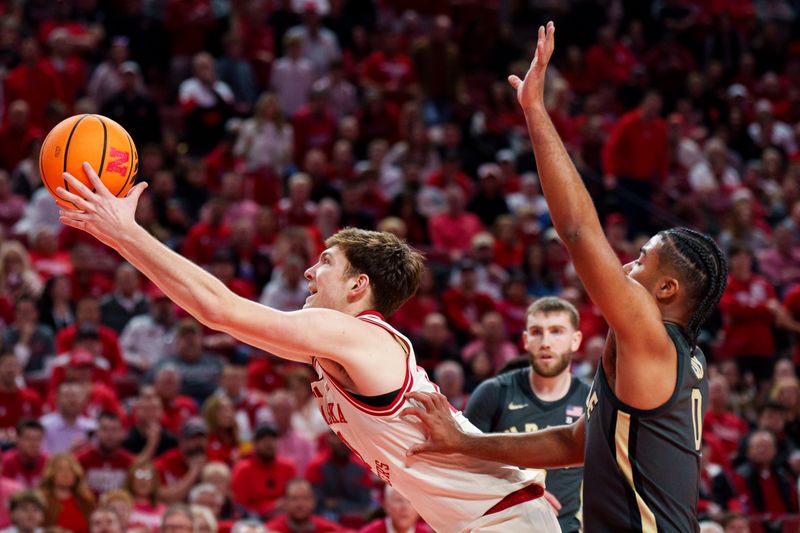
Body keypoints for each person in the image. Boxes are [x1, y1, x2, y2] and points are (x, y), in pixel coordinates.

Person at [56, 164, 557, 530]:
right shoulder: (344, 348)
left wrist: (125, 231)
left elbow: (220, 308)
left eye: (324, 262)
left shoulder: (355, 334)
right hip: (495, 515)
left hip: (500, 521)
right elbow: (224, 321)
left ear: (358, 286)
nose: (308, 272)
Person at [402, 23, 728, 532]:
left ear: (667, 290)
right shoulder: (673, 358)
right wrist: (465, 442)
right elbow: (574, 443)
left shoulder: (652, 336)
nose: (626, 265)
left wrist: (534, 111)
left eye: (641, 259)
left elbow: (577, 231)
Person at [464, 296, 590, 532]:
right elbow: (463, 468)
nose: (546, 342)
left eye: (556, 331)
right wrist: (521, 493)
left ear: (575, 340)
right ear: (525, 340)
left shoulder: (592, 400)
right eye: (536, 332)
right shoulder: (493, 393)